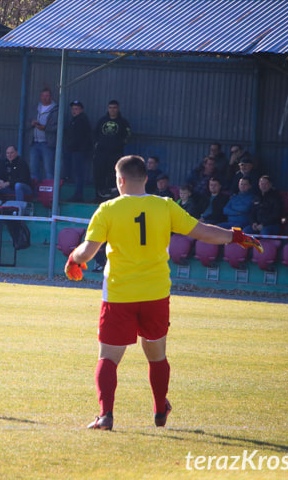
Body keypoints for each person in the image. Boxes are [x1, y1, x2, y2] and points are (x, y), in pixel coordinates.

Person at [64, 155, 262, 431]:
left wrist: (73, 259)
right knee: (156, 354)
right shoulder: (165, 206)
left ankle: (105, 415)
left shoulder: (107, 209)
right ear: (146, 179)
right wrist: (236, 236)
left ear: (119, 180)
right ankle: (159, 408)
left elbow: (87, 251)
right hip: (155, 293)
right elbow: (203, 232)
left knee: (108, 357)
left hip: (120, 295)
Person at [93, 100, 131, 200]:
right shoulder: (102, 121)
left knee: (113, 175)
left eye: (114, 108)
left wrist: (119, 144)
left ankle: (111, 197)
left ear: (118, 109)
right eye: (110, 108)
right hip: (101, 153)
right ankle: (98, 196)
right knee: (99, 174)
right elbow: (95, 134)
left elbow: (128, 135)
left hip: (115, 153)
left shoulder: (123, 122)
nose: (112, 110)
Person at [64, 100, 92, 202]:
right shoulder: (75, 120)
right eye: (73, 109)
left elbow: (81, 137)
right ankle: (77, 193)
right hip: (74, 151)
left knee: (78, 174)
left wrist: (74, 147)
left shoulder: (82, 120)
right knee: (76, 173)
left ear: (81, 110)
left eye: (76, 109)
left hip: (78, 151)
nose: (74, 111)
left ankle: (79, 194)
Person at [29, 86, 59, 181]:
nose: (45, 98)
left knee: (49, 170)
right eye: (43, 96)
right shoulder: (35, 108)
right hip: (34, 143)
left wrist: (45, 128)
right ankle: (34, 193)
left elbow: (59, 126)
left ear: (51, 97)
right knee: (33, 170)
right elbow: (26, 122)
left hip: (47, 143)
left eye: (47, 96)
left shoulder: (56, 109)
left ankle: (49, 194)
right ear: (40, 96)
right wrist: (32, 123)